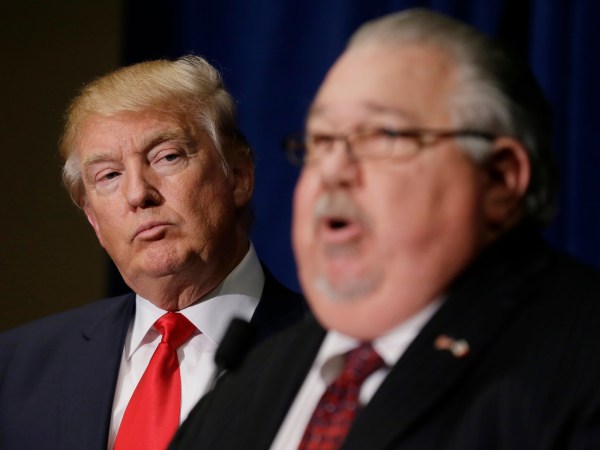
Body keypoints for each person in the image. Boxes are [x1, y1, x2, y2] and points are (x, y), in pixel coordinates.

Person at [170, 8, 600, 450]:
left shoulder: (580, 363)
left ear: (500, 179)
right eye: (321, 141)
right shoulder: (243, 385)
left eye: (382, 136)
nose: (332, 170)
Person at [0, 55, 305, 450]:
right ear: (93, 220)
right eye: (109, 175)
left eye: (167, 156)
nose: (138, 194)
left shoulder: (336, 352)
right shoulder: (16, 369)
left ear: (238, 178)